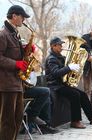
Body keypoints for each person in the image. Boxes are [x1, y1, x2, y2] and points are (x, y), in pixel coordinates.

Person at [45, 37, 92, 129]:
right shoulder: (51, 59)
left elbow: (66, 67)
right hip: (55, 86)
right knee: (75, 94)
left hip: (62, 84)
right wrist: (69, 67)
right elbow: (55, 73)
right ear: (53, 46)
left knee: (82, 94)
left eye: (61, 44)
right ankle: (75, 121)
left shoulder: (59, 57)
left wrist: (78, 60)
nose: (62, 46)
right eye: (60, 45)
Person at [0, 5, 30, 140]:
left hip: (17, 83)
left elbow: (14, 53)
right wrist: (16, 64)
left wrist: (27, 49)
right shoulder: (3, 34)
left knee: (17, 118)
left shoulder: (14, 33)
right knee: (7, 121)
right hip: (6, 84)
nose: (23, 20)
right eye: (22, 17)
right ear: (14, 16)